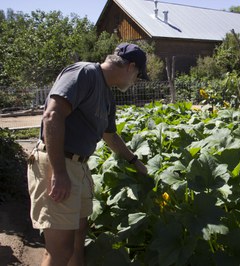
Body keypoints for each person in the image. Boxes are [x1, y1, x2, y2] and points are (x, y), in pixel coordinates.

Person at [27, 43, 149, 266]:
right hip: (57, 163)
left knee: (77, 238)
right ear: (131, 67)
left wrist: (134, 160)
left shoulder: (107, 96)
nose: (135, 83)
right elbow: (52, 116)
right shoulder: (85, 73)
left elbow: (110, 136)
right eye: (138, 76)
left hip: (79, 167)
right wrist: (60, 172)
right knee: (60, 250)